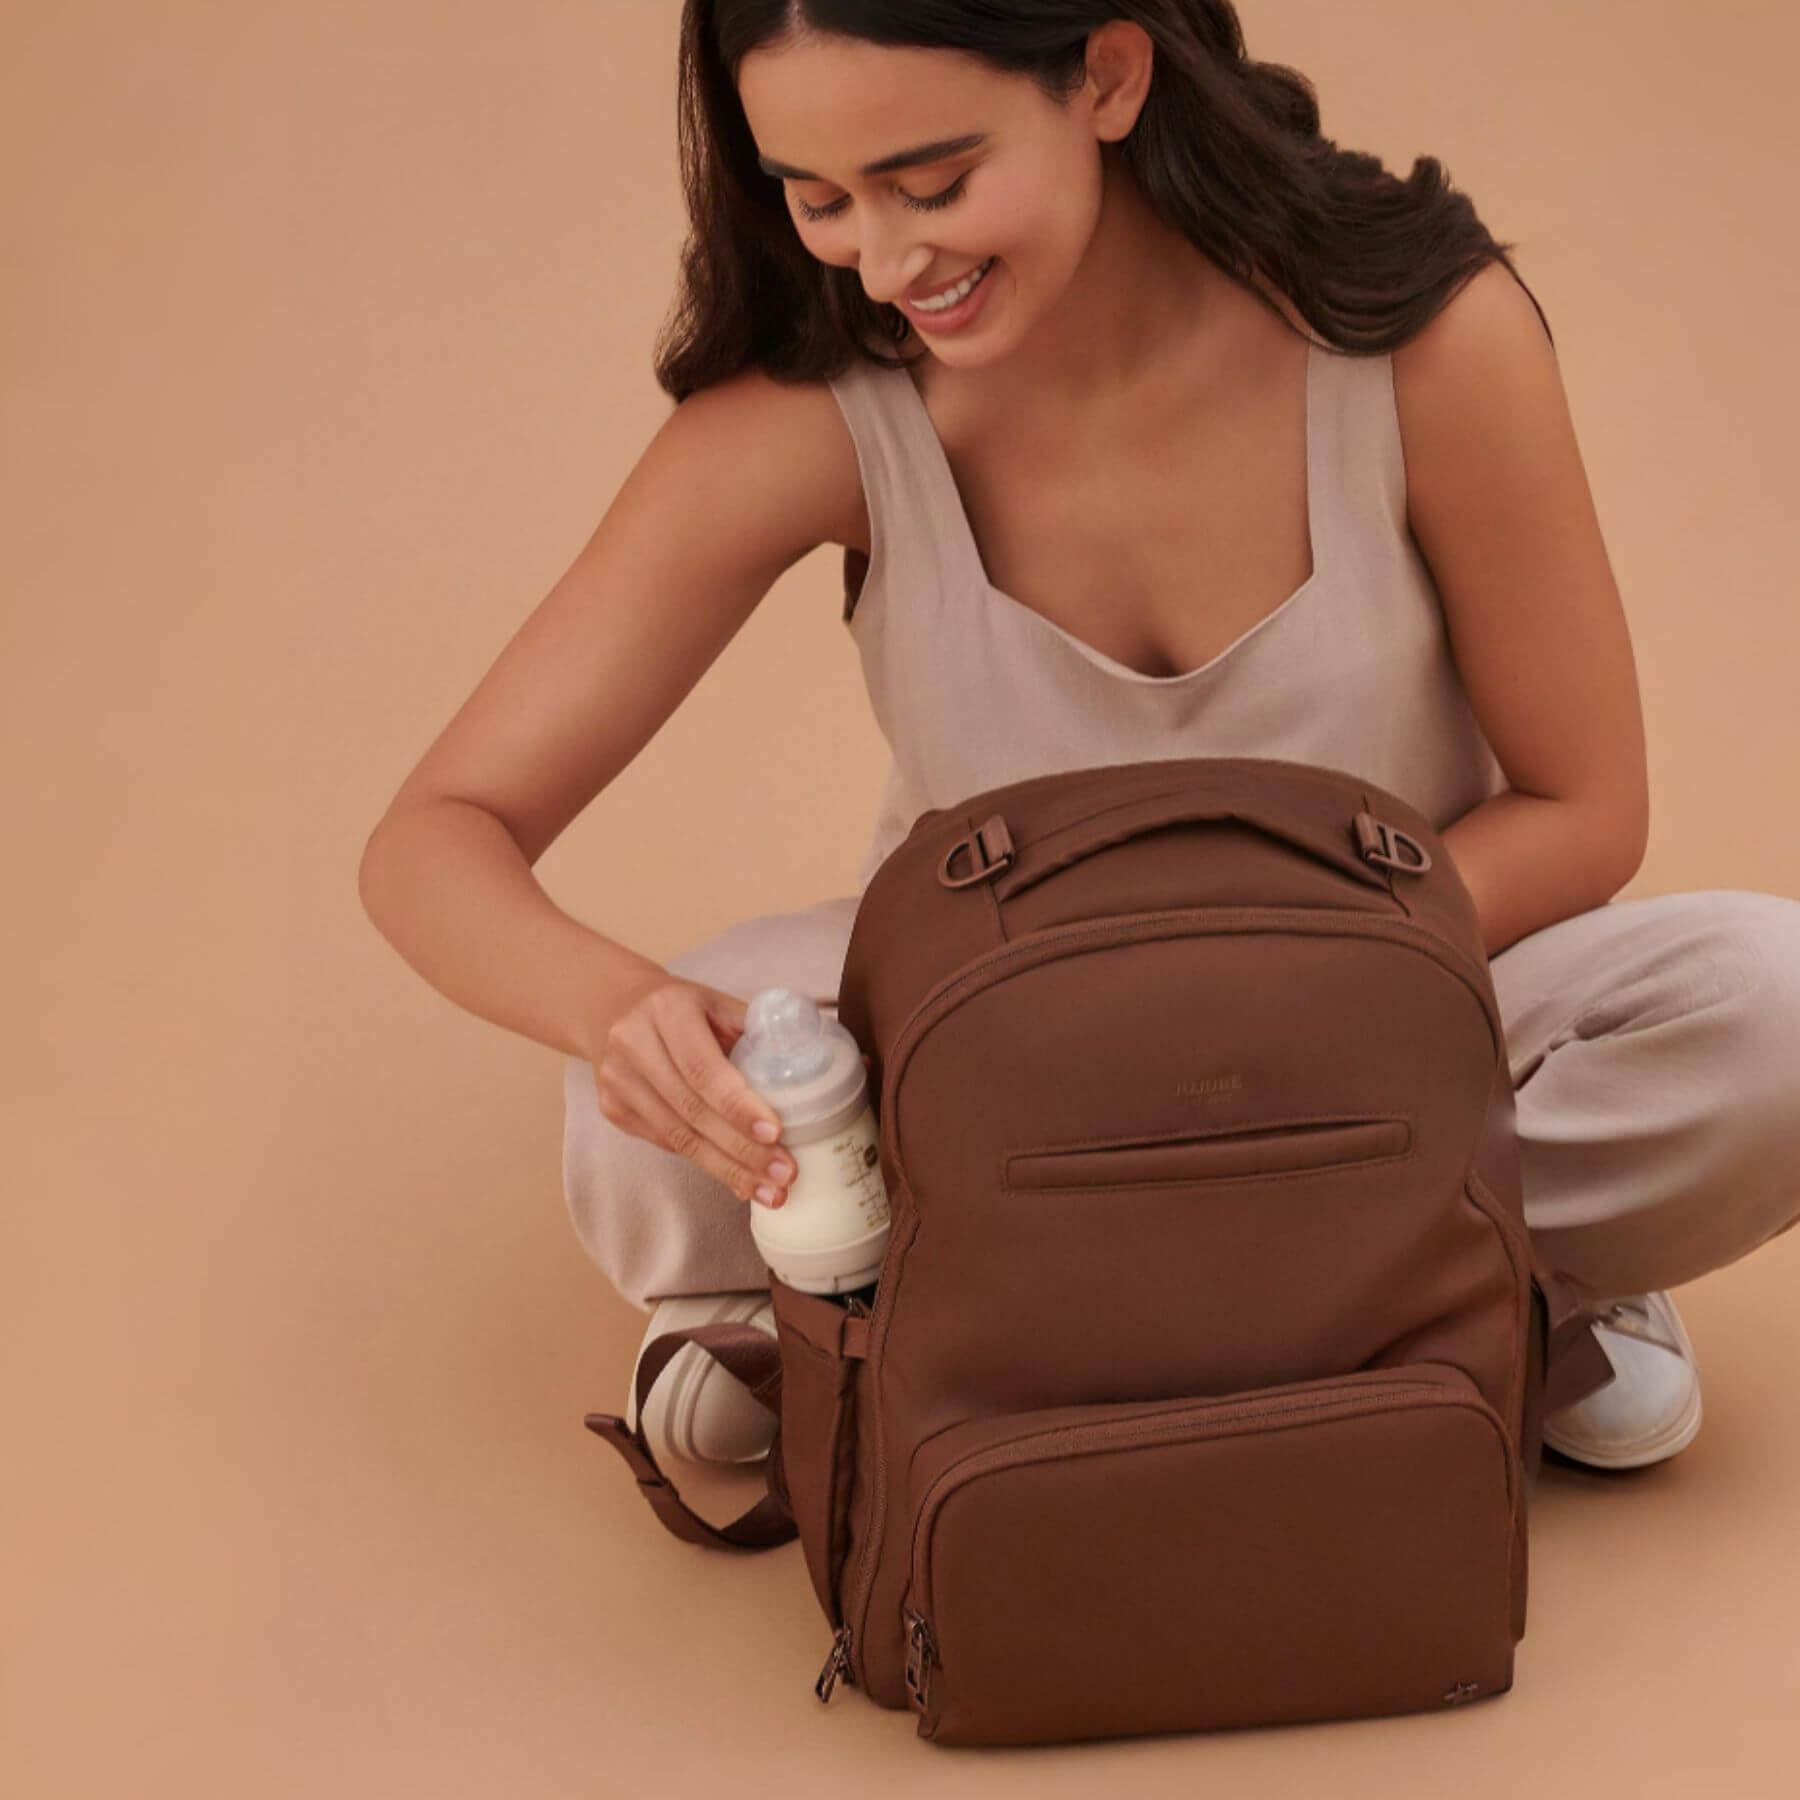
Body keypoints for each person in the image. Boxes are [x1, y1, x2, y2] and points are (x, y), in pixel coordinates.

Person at [358, 5, 1800, 1492]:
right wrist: (625, 1015)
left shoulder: (1423, 338)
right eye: (819, 196)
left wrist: (1254, 982)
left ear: (1107, 78)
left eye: (933, 181)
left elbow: (1584, 812)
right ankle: (1466, 1286)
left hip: (1384, 1010)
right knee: (636, 1142)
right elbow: (432, 838)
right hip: (1003, 1052)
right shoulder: (816, 419)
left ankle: (914, 1328)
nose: (886, 256)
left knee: (1779, 1011)